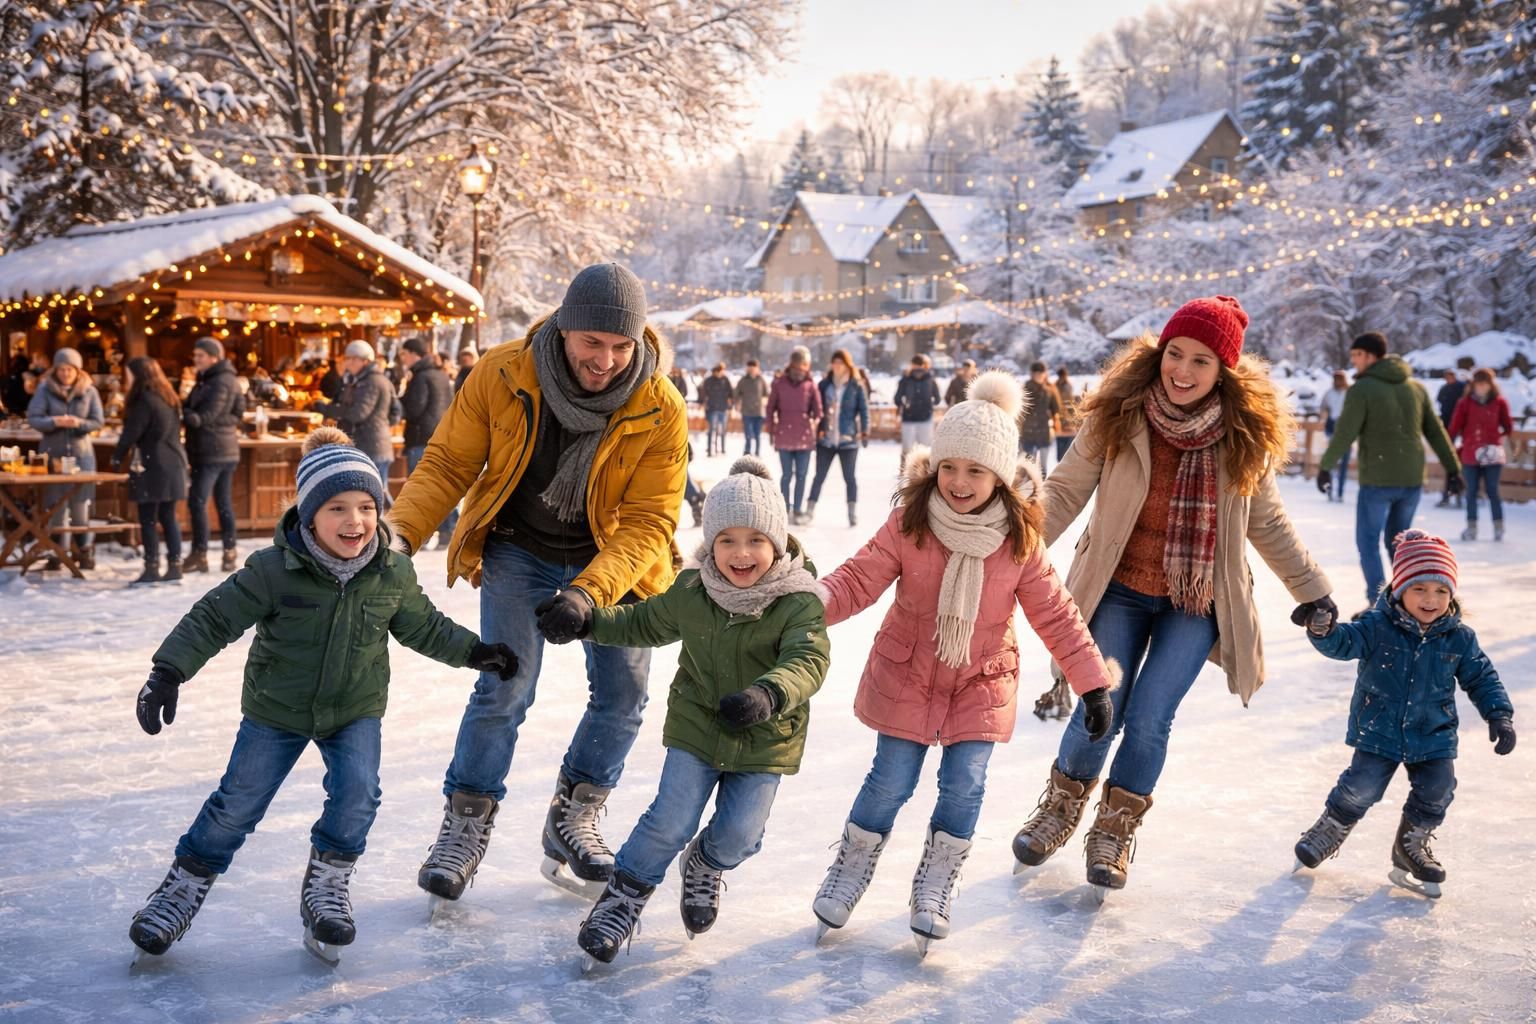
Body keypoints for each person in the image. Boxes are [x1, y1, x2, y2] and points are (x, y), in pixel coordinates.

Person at [126, 428, 517, 962]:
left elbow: (424, 627)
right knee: (236, 806)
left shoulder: (391, 572)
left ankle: (328, 883)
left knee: (358, 796)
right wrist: (168, 671)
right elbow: (214, 618)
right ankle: (181, 889)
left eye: (365, 506)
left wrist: (476, 652)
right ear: (309, 515)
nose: (354, 521)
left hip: (354, 709)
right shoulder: (272, 570)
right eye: (337, 508)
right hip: (275, 710)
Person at [1012, 296, 1335, 897]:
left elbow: (1265, 523)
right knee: (1098, 706)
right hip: (1119, 590)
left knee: (1151, 719)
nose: (1182, 371)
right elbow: (1062, 493)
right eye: (1175, 354)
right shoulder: (1118, 416)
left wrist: (1312, 590)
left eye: (1201, 362)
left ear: (1224, 372)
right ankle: (1058, 810)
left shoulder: (1241, 440)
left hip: (1196, 603)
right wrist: (1009, 545)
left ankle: (1114, 830)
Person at [388, 263, 688, 904]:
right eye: (592, 343)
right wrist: (398, 538)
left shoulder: (659, 405)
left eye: (620, 346)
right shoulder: (502, 374)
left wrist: (588, 592)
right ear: (563, 329)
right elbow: (448, 462)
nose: (604, 360)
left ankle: (574, 814)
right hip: (519, 552)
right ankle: (465, 824)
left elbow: (650, 520)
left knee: (623, 694)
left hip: (612, 563)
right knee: (505, 684)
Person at [809, 372, 1116, 952]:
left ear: (999, 476)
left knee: (964, 785)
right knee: (889, 782)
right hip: (907, 673)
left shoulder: (1020, 540)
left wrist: (1092, 683)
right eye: (949, 467)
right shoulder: (911, 522)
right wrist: (812, 604)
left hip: (981, 681)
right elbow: (858, 579)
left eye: (976, 471)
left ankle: (935, 880)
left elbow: (1057, 614)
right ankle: (851, 867)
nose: (959, 481)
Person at [566, 457, 829, 967]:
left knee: (741, 834)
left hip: (766, 735)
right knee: (669, 819)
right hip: (698, 724)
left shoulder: (799, 601)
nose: (741, 552)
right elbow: (643, 622)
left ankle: (706, 863)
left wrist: (768, 694)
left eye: (755, 539)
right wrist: (586, 622)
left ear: (777, 542)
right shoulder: (693, 590)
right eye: (726, 540)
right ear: (710, 545)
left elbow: (808, 659)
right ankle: (622, 900)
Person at [1293, 530, 1514, 899]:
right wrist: (1322, 629)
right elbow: (1342, 643)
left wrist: (1499, 715)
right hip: (1379, 728)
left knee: (1439, 789)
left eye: (1441, 591)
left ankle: (1411, 844)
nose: (1431, 599)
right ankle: (1331, 826)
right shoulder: (1376, 627)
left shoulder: (1459, 638)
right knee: (1360, 788)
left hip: (1434, 735)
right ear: (1400, 590)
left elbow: (1482, 677)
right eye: (1420, 589)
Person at [1316, 332, 1460, 616]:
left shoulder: (1363, 389)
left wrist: (1325, 466)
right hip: (1411, 479)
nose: (1353, 361)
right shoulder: (1415, 388)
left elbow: (1345, 433)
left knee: (1368, 542)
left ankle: (1379, 603)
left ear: (1370, 356)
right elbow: (1436, 430)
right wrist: (1453, 468)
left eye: (1357, 355)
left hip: (1378, 481)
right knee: (1400, 544)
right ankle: (1403, 602)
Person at [26, 348, 104, 570]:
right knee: (56, 508)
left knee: (81, 506)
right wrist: (54, 422)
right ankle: (57, 554)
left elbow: (98, 421)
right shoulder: (44, 390)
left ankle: (84, 553)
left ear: (77, 370)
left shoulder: (89, 391)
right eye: (61, 369)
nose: (65, 373)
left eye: (69, 369)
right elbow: (34, 417)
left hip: (82, 456)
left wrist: (79, 424)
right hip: (54, 457)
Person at [114, 357, 189, 585]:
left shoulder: (144, 400)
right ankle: (175, 566)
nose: (126, 378)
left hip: (152, 465)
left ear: (138, 375)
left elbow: (132, 432)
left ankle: (151, 567)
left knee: (147, 518)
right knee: (168, 517)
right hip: (173, 462)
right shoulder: (169, 397)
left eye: (128, 374)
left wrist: (117, 455)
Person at [181, 337, 247, 574]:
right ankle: (229, 551)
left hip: (211, 451)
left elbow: (206, 415)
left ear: (214, 357)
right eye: (195, 355)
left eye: (200, 355)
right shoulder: (212, 379)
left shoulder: (218, 382)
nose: (196, 359)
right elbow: (237, 412)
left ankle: (200, 553)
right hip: (223, 450)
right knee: (222, 502)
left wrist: (190, 416)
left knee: (197, 502)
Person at [313, 341, 396, 509]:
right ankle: (389, 531)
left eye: (353, 359)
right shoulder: (361, 380)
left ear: (365, 361)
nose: (348, 362)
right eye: (347, 358)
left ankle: (393, 531)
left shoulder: (371, 381)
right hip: (373, 443)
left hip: (371, 446)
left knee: (374, 496)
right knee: (375, 494)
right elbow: (395, 413)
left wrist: (329, 410)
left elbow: (358, 413)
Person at [397, 337, 457, 551]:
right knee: (441, 487)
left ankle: (420, 535)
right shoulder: (440, 375)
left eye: (404, 354)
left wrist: (400, 401)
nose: (403, 358)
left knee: (422, 491)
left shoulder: (420, 377)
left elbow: (414, 409)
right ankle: (449, 530)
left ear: (414, 353)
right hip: (441, 437)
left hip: (421, 439)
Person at [804, 348, 868, 527]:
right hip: (826, 440)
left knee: (850, 478)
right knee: (819, 476)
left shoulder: (856, 385)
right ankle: (809, 511)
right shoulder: (825, 384)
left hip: (848, 440)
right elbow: (815, 407)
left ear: (847, 365)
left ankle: (852, 513)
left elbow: (863, 410)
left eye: (840, 363)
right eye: (835, 362)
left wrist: (865, 431)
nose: (837, 366)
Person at [1447, 367, 1513, 542]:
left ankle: (1498, 526)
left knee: (1492, 490)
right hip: (1471, 453)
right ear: (1473, 385)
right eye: (1479, 384)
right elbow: (1454, 427)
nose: (1482, 388)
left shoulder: (1499, 403)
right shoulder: (1465, 403)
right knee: (1471, 492)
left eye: (1485, 384)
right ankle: (1471, 527)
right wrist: (1451, 443)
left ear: (1491, 385)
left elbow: (1508, 426)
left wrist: (1495, 437)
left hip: (1492, 454)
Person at [765, 346, 822, 525]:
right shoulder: (780, 383)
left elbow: (818, 410)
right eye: (800, 364)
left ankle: (797, 509)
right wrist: (772, 427)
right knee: (787, 475)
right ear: (793, 363)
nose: (801, 368)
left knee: (802, 475)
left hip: (804, 436)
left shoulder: (810, 385)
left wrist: (814, 421)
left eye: (804, 364)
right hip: (784, 435)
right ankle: (785, 509)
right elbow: (770, 408)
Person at [893, 354, 941, 464]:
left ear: (912, 365)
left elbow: (897, 399)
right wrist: (928, 405)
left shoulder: (905, 379)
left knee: (907, 450)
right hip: (926, 417)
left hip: (908, 417)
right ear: (925, 365)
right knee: (926, 450)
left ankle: (904, 473)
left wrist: (905, 405)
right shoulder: (931, 379)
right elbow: (937, 399)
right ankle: (924, 475)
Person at [1019, 361, 1061, 474]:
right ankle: (1029, 489)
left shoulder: (1050, 388)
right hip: (1028, 431)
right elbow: (1020, 409)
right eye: (1036, 373)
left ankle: (1041, 488)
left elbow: (1056, 408)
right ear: (1032, 374)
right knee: (1029, 466)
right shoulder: (1025, 388)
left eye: (1041, 373)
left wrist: (1056, 421)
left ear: (1045, 373)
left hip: (1044, 431)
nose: (1039, 375)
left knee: (1043, 466)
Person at [1434, 369, 1467, 508]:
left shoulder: (1462, 387)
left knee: (1460, 462)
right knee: (1451, 462)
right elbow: (1440, 403)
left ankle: (1460, 491)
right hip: (1448, 429)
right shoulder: (1444, 389)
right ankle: (1449, 492)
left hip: (1461, 430)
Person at [1319, 369, 1351, 503]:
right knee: (1331, 462)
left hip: (1346, 427)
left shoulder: (1350, 392)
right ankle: (1330, 490)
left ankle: (1340, 492)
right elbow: (1323, 408)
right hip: (1332, 427)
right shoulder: (1329, 393)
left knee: (1344, 463)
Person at [734, 358, 769, 455]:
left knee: (757, 434)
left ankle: (757, 452)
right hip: (746, 412)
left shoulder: (761, 380)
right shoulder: (743, 380)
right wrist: (737, 403)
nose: (752, 370)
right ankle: (747, 452)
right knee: (748, 435)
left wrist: (765, 401)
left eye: (754, 368)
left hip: (758, 412)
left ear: (757, 369)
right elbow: (736, 393)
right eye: (750, 368)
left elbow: (766, 393)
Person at [699, 362, 734, 457]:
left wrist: (730, 406)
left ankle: (722, 449)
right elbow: (703, 393)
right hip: (712, 408)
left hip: (723, 408)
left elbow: (731, 393)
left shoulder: (725, 380)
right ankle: (710, 449)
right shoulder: (709, 381)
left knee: (722, 431)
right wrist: (703, 403)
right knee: (711, 430)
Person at [1054, 368, 1078, 462]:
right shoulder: (1056, 386)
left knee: (1068, 442)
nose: (1062, 378)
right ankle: (1061, 460)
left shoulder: (1067, 386)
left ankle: (1064, 460)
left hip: (1068, 418)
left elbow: (1070, 401)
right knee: (1061, 441)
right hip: (1060, 417)